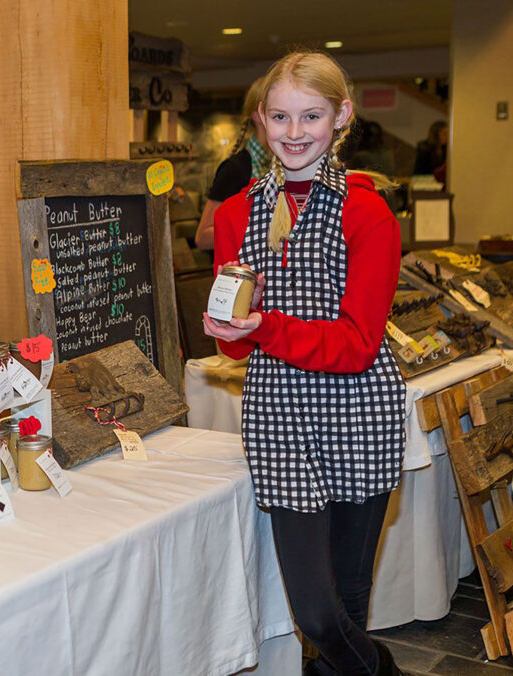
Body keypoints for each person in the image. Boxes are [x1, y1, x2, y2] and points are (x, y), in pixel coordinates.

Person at [203, 51, 405, 676]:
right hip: (280, 418)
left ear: (341, 116)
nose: (294, 133)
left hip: (359, 415)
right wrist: (230, 333)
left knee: (345, 604)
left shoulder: (367, 213)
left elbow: (355, 345)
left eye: (311, 116)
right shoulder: (237, 213)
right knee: (316, 614)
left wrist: (265, 327)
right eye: (282, 117)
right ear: (261, 120)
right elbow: (234, 343)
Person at [195, 78, 271, 250]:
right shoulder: (235, 169)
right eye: (279, 115)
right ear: (257, 116)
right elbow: (203, 238)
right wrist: (262, 228)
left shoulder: (285, 165)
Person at [414, 120, 447, 184]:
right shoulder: (424, 150)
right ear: (436, 135)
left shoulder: (446, 149)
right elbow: (419, 172)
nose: (447, 137)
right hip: (424, 182)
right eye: (444, 133)